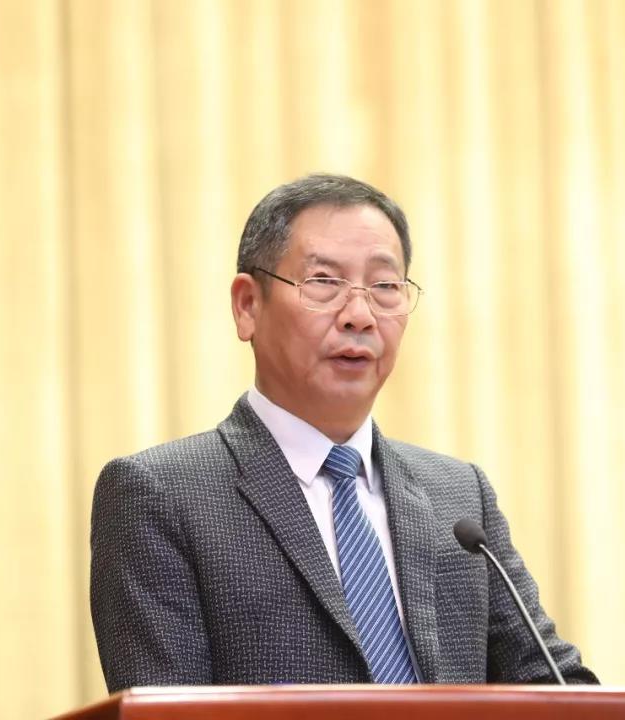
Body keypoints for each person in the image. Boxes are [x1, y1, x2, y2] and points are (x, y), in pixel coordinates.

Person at [90, 174, 597, 691]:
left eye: (385, 287)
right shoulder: (159, 495)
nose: (360, 316)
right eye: (324, 282)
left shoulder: (460, 498)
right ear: (248, 305)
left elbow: (555, 686)